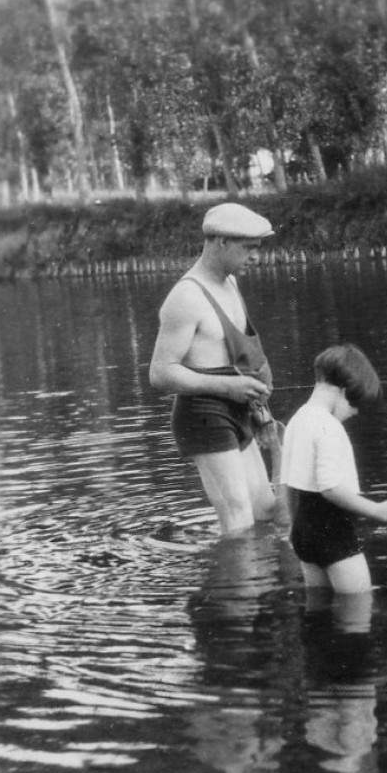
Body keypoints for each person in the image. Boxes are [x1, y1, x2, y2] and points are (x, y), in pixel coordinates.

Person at [149, 203, 282, 535]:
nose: (256, 256)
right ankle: (238, 586)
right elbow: (160, 373)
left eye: (258, 248)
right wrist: (229, 389)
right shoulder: (186, 297)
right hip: (204, 414)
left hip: (239, 408)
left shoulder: (230, 283)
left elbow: (233, 353)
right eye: (248, 248)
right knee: (238, 516)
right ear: (221, 241)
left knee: (264, 511)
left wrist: (257, 395)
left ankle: (257, 582)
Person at [279, 343, 387, 594]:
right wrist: (377, 510)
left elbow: (288, 483)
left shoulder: (297, 420)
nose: (356, 412)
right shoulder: (329, 426)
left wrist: (294, 528)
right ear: (344, 390)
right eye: (355, 403)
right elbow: (331, 488)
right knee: (358, 609)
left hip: (303, 531)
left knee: (317, 610)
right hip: (333, 532)